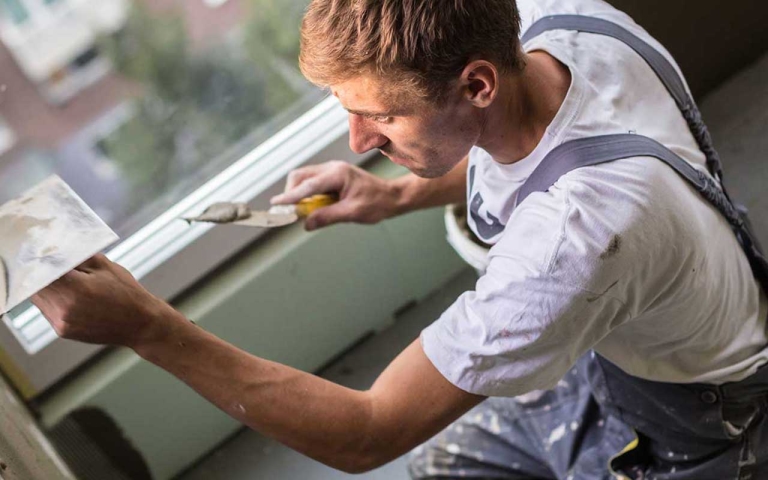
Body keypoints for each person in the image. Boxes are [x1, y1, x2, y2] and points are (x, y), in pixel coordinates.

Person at [33, 0, 768, 478]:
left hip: (705, 421)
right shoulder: (563, 22)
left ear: (477, 84)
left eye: (381, 117)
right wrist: (391, 194)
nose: (357, 140)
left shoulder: (573, 245)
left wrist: (146, 327)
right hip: (653, 327)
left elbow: (369, 431)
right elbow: (520, 159)